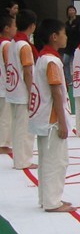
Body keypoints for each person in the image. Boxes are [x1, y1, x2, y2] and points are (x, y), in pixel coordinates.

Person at [29, 19, 75, 212]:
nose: (66, 37)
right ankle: (52, 201)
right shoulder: (52, 61)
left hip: (44, 118)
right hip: (53, 120)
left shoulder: (43, 58)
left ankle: (46, 198)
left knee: (46, 160)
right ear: (54, 37)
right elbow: (56, 91)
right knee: (57, 161)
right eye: (63, 33)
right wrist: (63, 123)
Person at [7, 9, 38, 169]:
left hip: (13, 89)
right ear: (32, 26)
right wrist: (32, 90)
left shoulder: (13, 42)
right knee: (24, 128)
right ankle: (23, 160)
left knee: (17, 126)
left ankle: (19, 159)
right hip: (22, 91)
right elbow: (27, 71)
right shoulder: (24, 46)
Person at [0, 13, 14, 155]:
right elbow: (8, 65)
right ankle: (3, 144)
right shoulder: (6, 45)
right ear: (6, 28)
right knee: (5, 116)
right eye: (14, 26)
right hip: (4, 85)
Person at [63, 5, 80, 86]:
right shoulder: (66, 23)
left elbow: (79, 33)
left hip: (76, 46)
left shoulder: (79, 23)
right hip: (68, 46)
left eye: (72, 10)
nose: (71, 11)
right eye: (69, 10)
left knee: (75, 63)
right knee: (65, 61)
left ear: (75, 11)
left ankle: (76, 79)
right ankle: (68, 79)